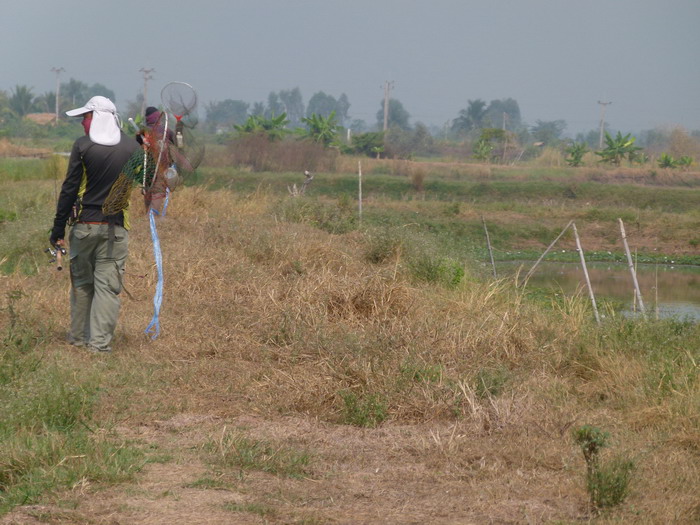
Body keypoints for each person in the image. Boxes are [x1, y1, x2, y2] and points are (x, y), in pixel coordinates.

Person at [50, 96, 139, 353]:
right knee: (107, 288)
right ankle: (99, 345)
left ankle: (78, 338)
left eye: (85, 118)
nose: (82, 123)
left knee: (82, 284)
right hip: (116, 230)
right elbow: (150, 182)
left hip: (85, 227)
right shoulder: (133, 148)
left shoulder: (83, 146)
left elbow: (70, 189)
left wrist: (57, 229)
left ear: (97, 118)